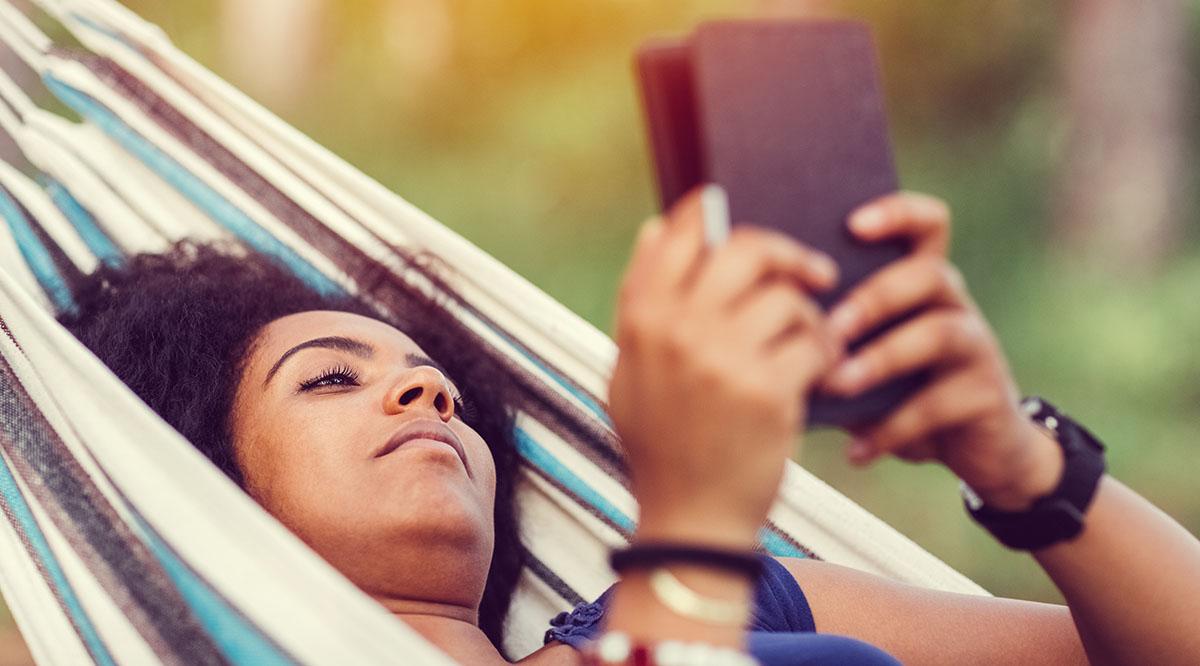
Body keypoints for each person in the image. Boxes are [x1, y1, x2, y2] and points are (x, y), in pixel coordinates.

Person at [61, 188, 1200, 665]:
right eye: (325, 381)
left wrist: (1022, 462)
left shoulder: (738, 597)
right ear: (195, 481)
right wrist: (694, 517)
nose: (427, 395)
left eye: (428, 379)